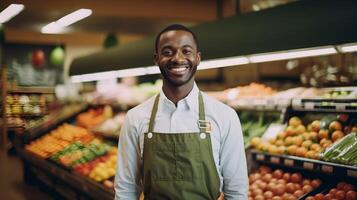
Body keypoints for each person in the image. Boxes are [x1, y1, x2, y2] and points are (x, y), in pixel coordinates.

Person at [115, 24, 248, 200]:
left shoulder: (225, 116)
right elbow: (126, 189)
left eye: (186, 51)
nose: (178, 59)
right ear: (156, 59)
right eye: (168, 52)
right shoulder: (135, 118)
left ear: (198, 57)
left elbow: (236, 191)